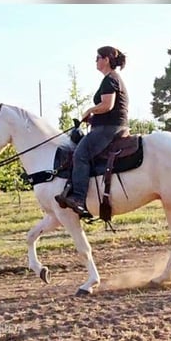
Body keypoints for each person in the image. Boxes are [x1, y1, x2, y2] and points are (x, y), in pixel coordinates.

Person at [56, 46, 129, 218]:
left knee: (80, 154)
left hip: (110, 128)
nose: (95, 61)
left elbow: (107, 105)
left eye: (97, 57)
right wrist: (93, 118)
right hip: (110, 125)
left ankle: (79, 198)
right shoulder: (111, 78)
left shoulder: (110, 79)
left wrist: (90, 111)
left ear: (106, 59)